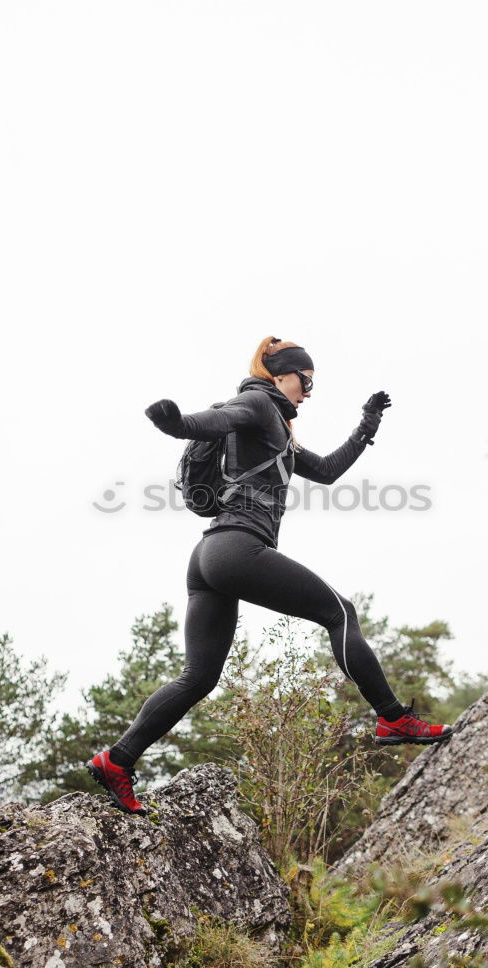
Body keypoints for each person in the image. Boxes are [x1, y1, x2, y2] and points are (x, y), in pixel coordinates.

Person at [86, 337, 453, 815]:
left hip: (208, 558)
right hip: (237, 547)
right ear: (280, 375)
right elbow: (217, 420)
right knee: (340, 612)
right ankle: (392, 720)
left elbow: (324, 471)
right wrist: (176, 425)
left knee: (198, 677)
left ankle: (117, 760)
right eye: (307, 379)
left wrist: (366, 426)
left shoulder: (277, 430)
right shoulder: (258, 402)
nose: (310, 389)